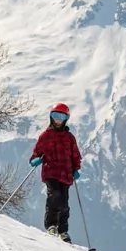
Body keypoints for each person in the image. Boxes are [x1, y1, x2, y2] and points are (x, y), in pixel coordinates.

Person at [29, 103, 82, 242]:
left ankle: (63, 231)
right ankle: (51, 225)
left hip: (66, 175)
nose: (58, 119)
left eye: (61, 116)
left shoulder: (69, 138)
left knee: (64, 202)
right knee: (54, 197)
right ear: (51, 117)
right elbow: (36, 153)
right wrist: (34, 160)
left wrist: (76, 168)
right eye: (55, 116)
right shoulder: (45, 136)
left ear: (66, 119)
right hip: (50, 173)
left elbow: (75, 155)